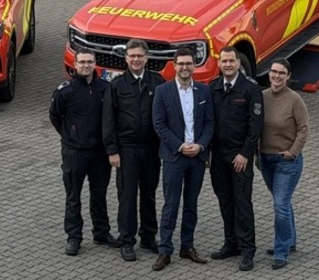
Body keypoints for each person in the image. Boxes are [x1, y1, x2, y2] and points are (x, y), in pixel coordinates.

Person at [49, 48, 120, 256]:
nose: (86, 66)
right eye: (82, 62)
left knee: (99, 195)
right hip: (74, 153)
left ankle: (101, 233)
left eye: (90, 62)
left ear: (95, 63)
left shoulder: (106, 88)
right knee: (73, 196)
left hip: (99, 153)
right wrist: (70, 135)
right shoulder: (65, 90)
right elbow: (55, 116)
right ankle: (74, 237)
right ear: (75, 64)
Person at [150, 48, 214, 271]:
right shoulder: (162, 91)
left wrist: (200, 145)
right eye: (181, 64)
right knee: (171, 204)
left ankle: (187, 246)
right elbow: (159, 125)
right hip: (173, 157)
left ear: (194, 66)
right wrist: (179, 146)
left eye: (189, 63)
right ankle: (165, 250)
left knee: (191, 204)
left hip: (197, 157)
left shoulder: (204, 92)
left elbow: (209, 124)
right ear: (174, 66)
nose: (185, 67)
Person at [103, 39, 165, 261]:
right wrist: (112, 150)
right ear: (126, 58)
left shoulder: (157, 83)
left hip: (151, 149)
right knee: (127, 196)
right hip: (127, 150)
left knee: (149, 194)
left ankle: (148, 237)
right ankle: (127, 240)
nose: (136, 59)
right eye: (132, 56)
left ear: (146, 58)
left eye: (140, 56)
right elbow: (108, 120)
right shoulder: (117, 85)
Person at [209, 46, 264, 271]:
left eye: (232, 61)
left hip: (240, 155)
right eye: (224, 61)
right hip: (218, 156)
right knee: (225, 201)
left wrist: (245, 154)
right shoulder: (213, 88)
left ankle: (248, 250)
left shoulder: (250, 89)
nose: (228, 65)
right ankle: (230, 243)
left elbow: (256, 125)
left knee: (242, 203)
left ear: (238, 63)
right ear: (219, 63)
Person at [259, 58, 309, 270]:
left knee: (280, 205)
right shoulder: (261, 97)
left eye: (281, 73)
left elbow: (304, 129)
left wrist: (292, 152)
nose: (276, 76)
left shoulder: (295, 99)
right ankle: (291, 241)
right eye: (273, 72)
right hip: (265, 160)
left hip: (286, 162)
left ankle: (281, 252)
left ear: (288, 76)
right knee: (283, 203)